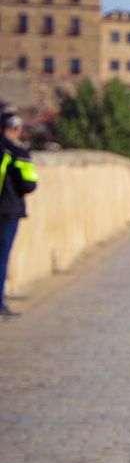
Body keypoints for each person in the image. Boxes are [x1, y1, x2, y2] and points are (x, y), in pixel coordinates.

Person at [0, 111, 39, 319]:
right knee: (2, 257)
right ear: (16, 129)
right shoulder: (17, 152)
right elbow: (29, 184)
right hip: (8, 210)